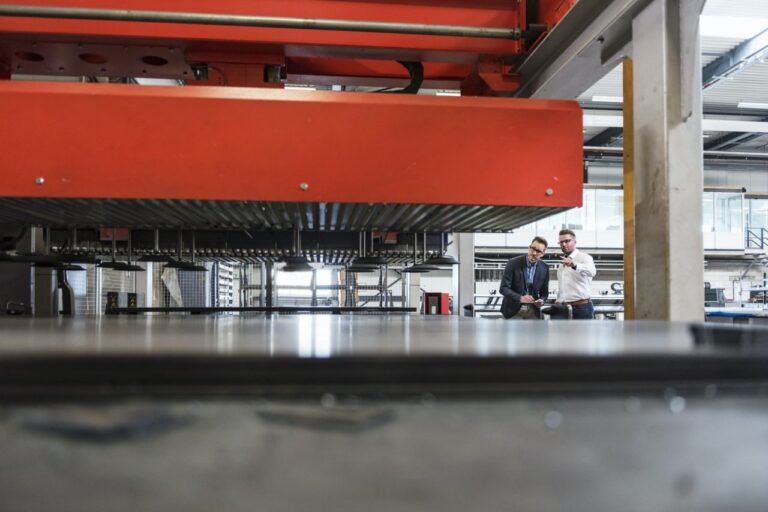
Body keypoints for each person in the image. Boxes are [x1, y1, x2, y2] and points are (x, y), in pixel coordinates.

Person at [499, 236, 550, 319]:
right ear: (529, 247)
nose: (534, 253)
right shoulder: (512, 263)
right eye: (533, 248)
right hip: (512, 311)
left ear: (543, 254)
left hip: (533, 311)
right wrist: (520, 298)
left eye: (538, 251)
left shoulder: (545, 268)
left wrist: (542, 300)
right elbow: (503, 288)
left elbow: (544, 292)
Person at [556, 229, 596, 319]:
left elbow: (592, 272)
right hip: (563, 308)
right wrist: (558, 302)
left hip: (581, 308)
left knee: (583, 333)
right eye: (561, 242)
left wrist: (574, 265)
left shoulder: (585, 257)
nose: (563, 244)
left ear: (575, 241)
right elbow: (563, 287)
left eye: (567, 241)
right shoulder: (562, 263)